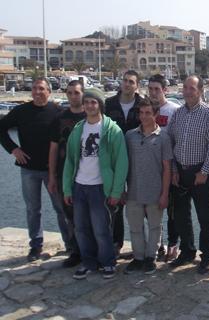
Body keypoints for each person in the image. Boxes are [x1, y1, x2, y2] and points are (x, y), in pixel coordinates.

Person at [0, 77, 70, 261]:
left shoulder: (58, 112)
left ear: (49, 91)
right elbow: (1, 128)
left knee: (61, 207)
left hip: (52, 169)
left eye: (41, 89)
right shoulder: (21, 111)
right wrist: (13, 149)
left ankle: (70, 244)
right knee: (33, 209)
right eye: (35, 89)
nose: (37, 92)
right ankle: (35, 246)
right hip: (29, 169)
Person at [63, 88, 128, 280]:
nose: (90, 106)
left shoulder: (111, 130)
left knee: (101, 229)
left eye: (93, 102)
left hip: (100, 187)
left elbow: (121, 163)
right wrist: (67, 187)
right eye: (87, 102)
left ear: (100, 105)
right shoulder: (78, 130)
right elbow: (70, 161)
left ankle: (108, 262)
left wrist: (116, 191)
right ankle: (88, 262)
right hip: (80, 185)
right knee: (81, 228)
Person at [167, 75, 209, 274]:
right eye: (185, 88)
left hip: (200, 173)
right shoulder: (178, 113)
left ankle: (207, 256)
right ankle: (187, 252)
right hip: (180, 172)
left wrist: (205, 171)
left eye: (192, 88)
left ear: (200, 91)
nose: (188, 91)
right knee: (182, 216)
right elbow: (170, 142)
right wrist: (173, 170)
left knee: (205, 217)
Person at [124, 98, 172, 275]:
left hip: (155, 190)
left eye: (148, 113)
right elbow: (123, 164)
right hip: (133, 190)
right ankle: (138, 257)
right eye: (141, 113)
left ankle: (151, 257)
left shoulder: (164, 138)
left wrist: (165, 194)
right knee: (135, 227)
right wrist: (121, 188)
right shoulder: (129, 136)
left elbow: (167, 168)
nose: (144, 117)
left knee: (154, 226)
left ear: (156, 115)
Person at [48, 80, 86, 267]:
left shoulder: (92, 116)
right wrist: (52, 176)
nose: (72, 96)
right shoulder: (59, 118)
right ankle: (75, 251)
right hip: (65, 176)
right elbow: (54, 148)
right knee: (70, 215)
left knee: (92, 215)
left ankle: (92, 252)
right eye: (69, 93)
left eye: (76, 93)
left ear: (83, 94)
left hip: (89, 176)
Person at [104, 70, 143, 256]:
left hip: (138, 160)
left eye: (131, 82)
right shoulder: (109, 104)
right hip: (114, 161)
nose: (127, 84)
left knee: (139, 202)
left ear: (137, 86)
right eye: (125, 81)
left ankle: (143, 245)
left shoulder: (142, 104)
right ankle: (116, 242)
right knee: (115, 202)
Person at [148, 74, 180, 261]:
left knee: (173, 210)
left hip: (171, 169)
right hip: (151, 170)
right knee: (152, 209)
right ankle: (157, 244)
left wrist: (175, 169)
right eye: (150, 89)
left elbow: (178, 140)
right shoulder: (144, 109)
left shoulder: (174, 110)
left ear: (164, 90)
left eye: (156, 89)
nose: (153, 92)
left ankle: (173, 244)